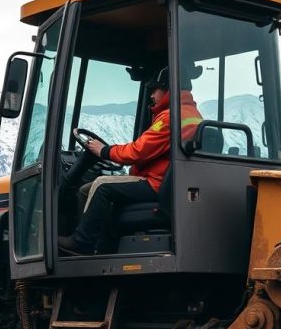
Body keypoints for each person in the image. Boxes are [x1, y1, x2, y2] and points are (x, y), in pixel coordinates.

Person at [58, 67, 203, 255]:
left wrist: (105, 151)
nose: (151, 95)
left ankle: (81, 242)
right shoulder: (191, 114)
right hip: (168, 183)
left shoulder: (170, 117)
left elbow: (138, 151)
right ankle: (104, 248)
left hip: (156, 183)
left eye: (155, 89)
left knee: (102, 186)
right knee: (88, 190)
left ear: (167, 88)